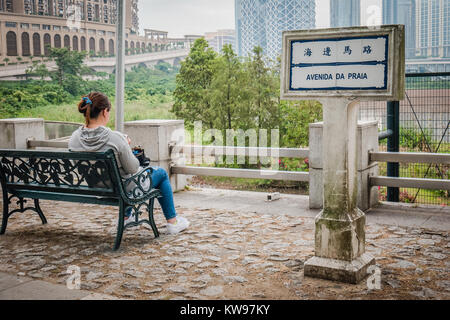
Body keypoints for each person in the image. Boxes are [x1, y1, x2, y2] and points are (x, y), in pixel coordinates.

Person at [68, 92, 189, 234]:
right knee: (160, 173)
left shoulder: (74, 138)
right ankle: (173, 222)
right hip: (121, 189)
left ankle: (127, 217)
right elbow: (132, 167)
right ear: (104, 111)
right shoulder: (114, 139)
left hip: (97, 187)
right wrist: (125, 145)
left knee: (125, 178)